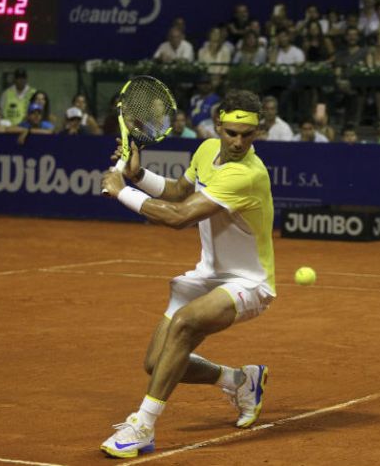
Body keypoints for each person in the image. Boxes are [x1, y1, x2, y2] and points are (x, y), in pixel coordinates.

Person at [99, 89, 276, 459]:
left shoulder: (247, 175)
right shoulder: (206, 151)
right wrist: (138, 175)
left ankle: (143, 426)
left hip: (248, 283)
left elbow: (179, 218)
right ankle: (241, 380)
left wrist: (121, 192)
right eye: (231, 133)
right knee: (156, 363)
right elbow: (180, 192)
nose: (239, 141)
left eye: (248, 135)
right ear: (217, 127)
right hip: (207, 275)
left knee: (183, 324)